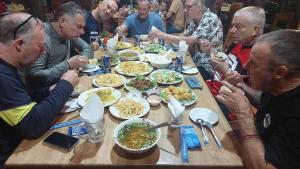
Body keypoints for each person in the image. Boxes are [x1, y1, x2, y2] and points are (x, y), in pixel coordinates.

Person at [0, 13, 79, 167]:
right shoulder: (2, 76)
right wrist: (65, 85)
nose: (43, 52)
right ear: (19, 44)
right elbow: (33, 125)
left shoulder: (7, 67)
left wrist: (49, 90)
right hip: (12, 158)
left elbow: (23, 100)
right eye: (40, 47)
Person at [217, 30, 300, 169]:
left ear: (279, 72)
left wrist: (244, 115)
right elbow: (262, 98)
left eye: (254, 64)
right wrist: (241, 86)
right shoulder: (277, 86)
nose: (245, 66)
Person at [206, 6, 265, 121]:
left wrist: (227, 72)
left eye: (238, 27)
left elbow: (261, 99)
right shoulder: (238, 43)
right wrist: (210, 52)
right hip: (213, 86)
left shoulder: (260, 57)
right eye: (232, 26)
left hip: (226, 104)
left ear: (255, 30)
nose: (232, 30)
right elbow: (224, 63)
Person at [25, 1, 92, 90]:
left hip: (65, 85)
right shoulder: (42, 37)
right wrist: (68, 64)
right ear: (62, 21)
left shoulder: (68, 34)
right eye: (79, 27)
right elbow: (35, 76)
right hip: (44, 95)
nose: (82, 32)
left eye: (83, 27)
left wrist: (82, 60)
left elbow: (86, 47)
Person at [149, 0, 223, 79]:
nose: (185, 10)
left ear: (199, 7)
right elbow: (183, 36)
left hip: (209, 67)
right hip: (194, 62)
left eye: (188, 7)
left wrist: (163, 35)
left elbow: (191, 39)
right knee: (166, 72)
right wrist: (163, 42)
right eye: (185, 7)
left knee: (174, 77)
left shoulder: (210, 18)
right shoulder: (195, 20)